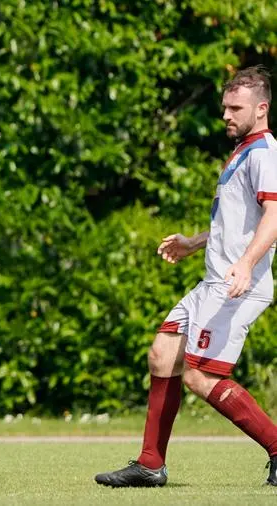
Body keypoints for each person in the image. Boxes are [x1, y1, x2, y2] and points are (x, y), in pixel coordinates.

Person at [95, 66, 277, 488]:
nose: (226, 115)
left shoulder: (266, 152)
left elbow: (273, 217)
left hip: (235, 285)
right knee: (162, 354)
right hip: (212, 281)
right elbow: (238, 222)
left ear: (262, 108)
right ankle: (150, 463)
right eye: (224, 107)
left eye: (236, 108)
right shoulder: (243, 152)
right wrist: (194, 243)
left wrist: (247, 264)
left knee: (200, 375)